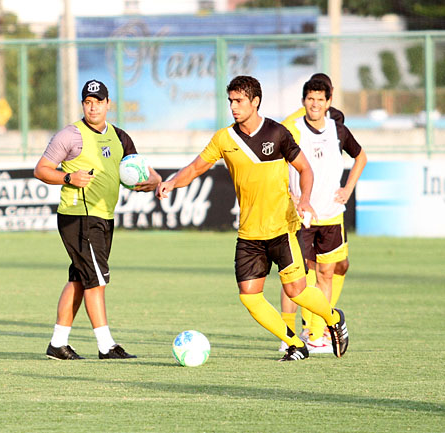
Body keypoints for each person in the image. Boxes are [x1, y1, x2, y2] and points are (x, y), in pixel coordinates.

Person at [156, 75, 349, 361]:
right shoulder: (224, 138)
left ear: (255, 102)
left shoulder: (277, 133)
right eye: (231, 101)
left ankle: (333, 318)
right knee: (249, 296)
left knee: (296, 291)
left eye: (239, 101)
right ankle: (295, 343)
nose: (233, 107)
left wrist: (305, 199)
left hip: (282, 228)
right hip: (249, 233)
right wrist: (172, 182)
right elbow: (197, 167)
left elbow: (305, 169)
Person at [34, 79, 161, 360]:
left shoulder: (120, 137)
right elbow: (41, 169)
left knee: (81, 278)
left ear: (107, 104)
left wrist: (155, 180)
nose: (93, 107)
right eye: (88, 102)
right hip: (78, 216)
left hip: (104, 216)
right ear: (83, 104)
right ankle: (106, 346)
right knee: (96, 280)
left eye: (98, 102)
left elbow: (139, 167)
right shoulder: (70, 135)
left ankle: (58, 343)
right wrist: (68, 177)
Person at [278, 78, 367, 353]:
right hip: (301, 216)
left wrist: (348, 189)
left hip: (331, 215)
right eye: (310, 99)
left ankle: (316, 334)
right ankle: (287, 334)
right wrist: (291, 196)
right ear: (304, 101)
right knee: (295, 277)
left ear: (328, 102)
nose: (315, 104)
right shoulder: (291, 129)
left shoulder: (337, 129)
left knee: (327, 273)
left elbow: (360, 156)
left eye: (320, 100)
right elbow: (276, 165)